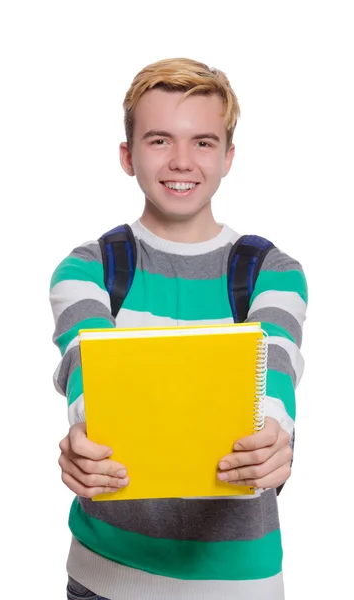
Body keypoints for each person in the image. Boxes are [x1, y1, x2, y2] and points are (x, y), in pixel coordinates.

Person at [49, 57, 307, 600]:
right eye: (160, 140)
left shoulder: (273, 273)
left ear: (229, 156)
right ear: (128, 155)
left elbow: (275, 382)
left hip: (241, 585)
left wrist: (275, 442)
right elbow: (87, 382)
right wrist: (86, 442)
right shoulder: (87, 269)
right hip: (105, 579)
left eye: (204, 142)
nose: (182, 161)